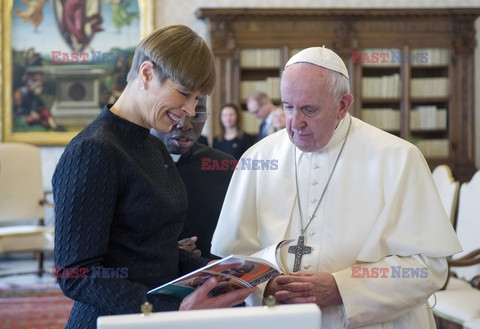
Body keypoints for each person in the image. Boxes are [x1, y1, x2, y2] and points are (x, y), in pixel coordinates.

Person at [210, 46, 462, 328]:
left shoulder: (398, 158)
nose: (295, 123)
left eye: (309, 109)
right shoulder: (257, 159)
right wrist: (265, 285)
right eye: (288, 106)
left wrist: (343, 288)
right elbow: (232, 258)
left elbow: (428, 268)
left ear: (343, 104)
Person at [52, 25, 257, 329]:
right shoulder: (94, 150)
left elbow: (152, 250)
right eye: (184, 93)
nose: (189, 110)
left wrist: (216, 271)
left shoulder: (152, 146)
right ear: (147, 74)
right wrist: (172, 309)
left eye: (197, 99)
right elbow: (75, 275)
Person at [150, 97, 235, 258]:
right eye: (175, 112)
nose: (185, 124)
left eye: (197, 114)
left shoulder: (224, 165)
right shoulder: (127, 161)